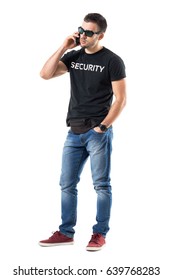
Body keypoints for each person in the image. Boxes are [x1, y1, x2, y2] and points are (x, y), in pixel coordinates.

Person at [39, 13, 126, 251]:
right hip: (73, 132)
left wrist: (103, 127)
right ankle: (66, 232)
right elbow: (45, 74)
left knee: (101, 185)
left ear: (101, 35)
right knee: (66, 184)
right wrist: (64, 45)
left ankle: (99, 234)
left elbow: (121, 99)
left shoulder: (112, 60)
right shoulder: (74, 56)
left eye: (89, 32)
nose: (84, 35)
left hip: (97, 133)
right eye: (82, 30)